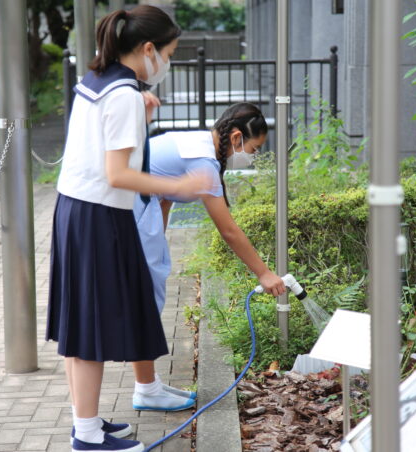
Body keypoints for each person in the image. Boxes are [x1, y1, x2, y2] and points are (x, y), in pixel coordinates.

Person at [46, 6, 212, 452]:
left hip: (77, 210)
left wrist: (142, 111)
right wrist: (179, 186)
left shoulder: (101, 81)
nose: (168, 62)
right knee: (90, 330)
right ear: (147, 49)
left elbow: (107, 145)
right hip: (98, 214)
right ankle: (86, 435)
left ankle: (90, 423)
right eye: (170, 53)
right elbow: (119, 174)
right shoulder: (122, 94)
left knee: (80, 327)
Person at [134, 102, 286, 331]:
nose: (253, 157)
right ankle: (142, 359)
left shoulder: (195, 142)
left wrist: (157, 243)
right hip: (132, 205)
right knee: (145, 296)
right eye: (254, 149)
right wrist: (264, 273)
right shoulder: (203, 162)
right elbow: (228, 230)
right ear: (236, 138)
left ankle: (141, 360)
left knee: (143, 289)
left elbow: (165, 199)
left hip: (132, 205)